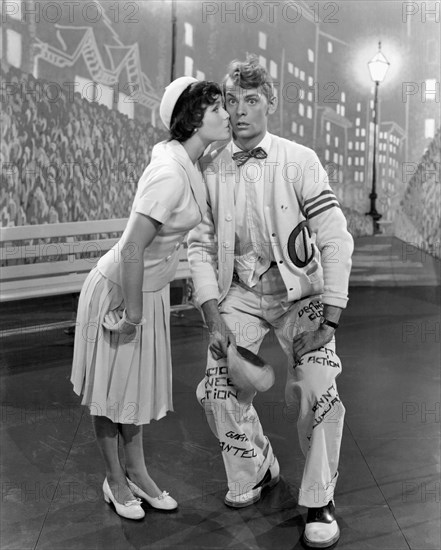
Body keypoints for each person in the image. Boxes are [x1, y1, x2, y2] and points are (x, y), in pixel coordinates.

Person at [187, 55, 354, 548]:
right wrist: (212, 315)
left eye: (251, 101)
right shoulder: (208, 167)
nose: (240, 111)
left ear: (270, 104)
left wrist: (332, 315)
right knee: (218, 389)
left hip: (299, 294)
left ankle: (319, 498)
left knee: (317, 386)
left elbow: (334, 237)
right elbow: (198, 246)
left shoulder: (300, 159)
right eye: (232, 101)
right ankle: (256, 468)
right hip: (239, 294)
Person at [71, 76, 230, 520]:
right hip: (122, 292)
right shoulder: (168, 173)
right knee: (109, 392)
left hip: (148, 289)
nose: (225, 115)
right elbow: (131, 248)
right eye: (215, 108)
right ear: (192, 119)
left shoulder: (188, 162)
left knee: (132, 393)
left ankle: (137, 472)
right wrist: (133, 315)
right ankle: (115, 481)